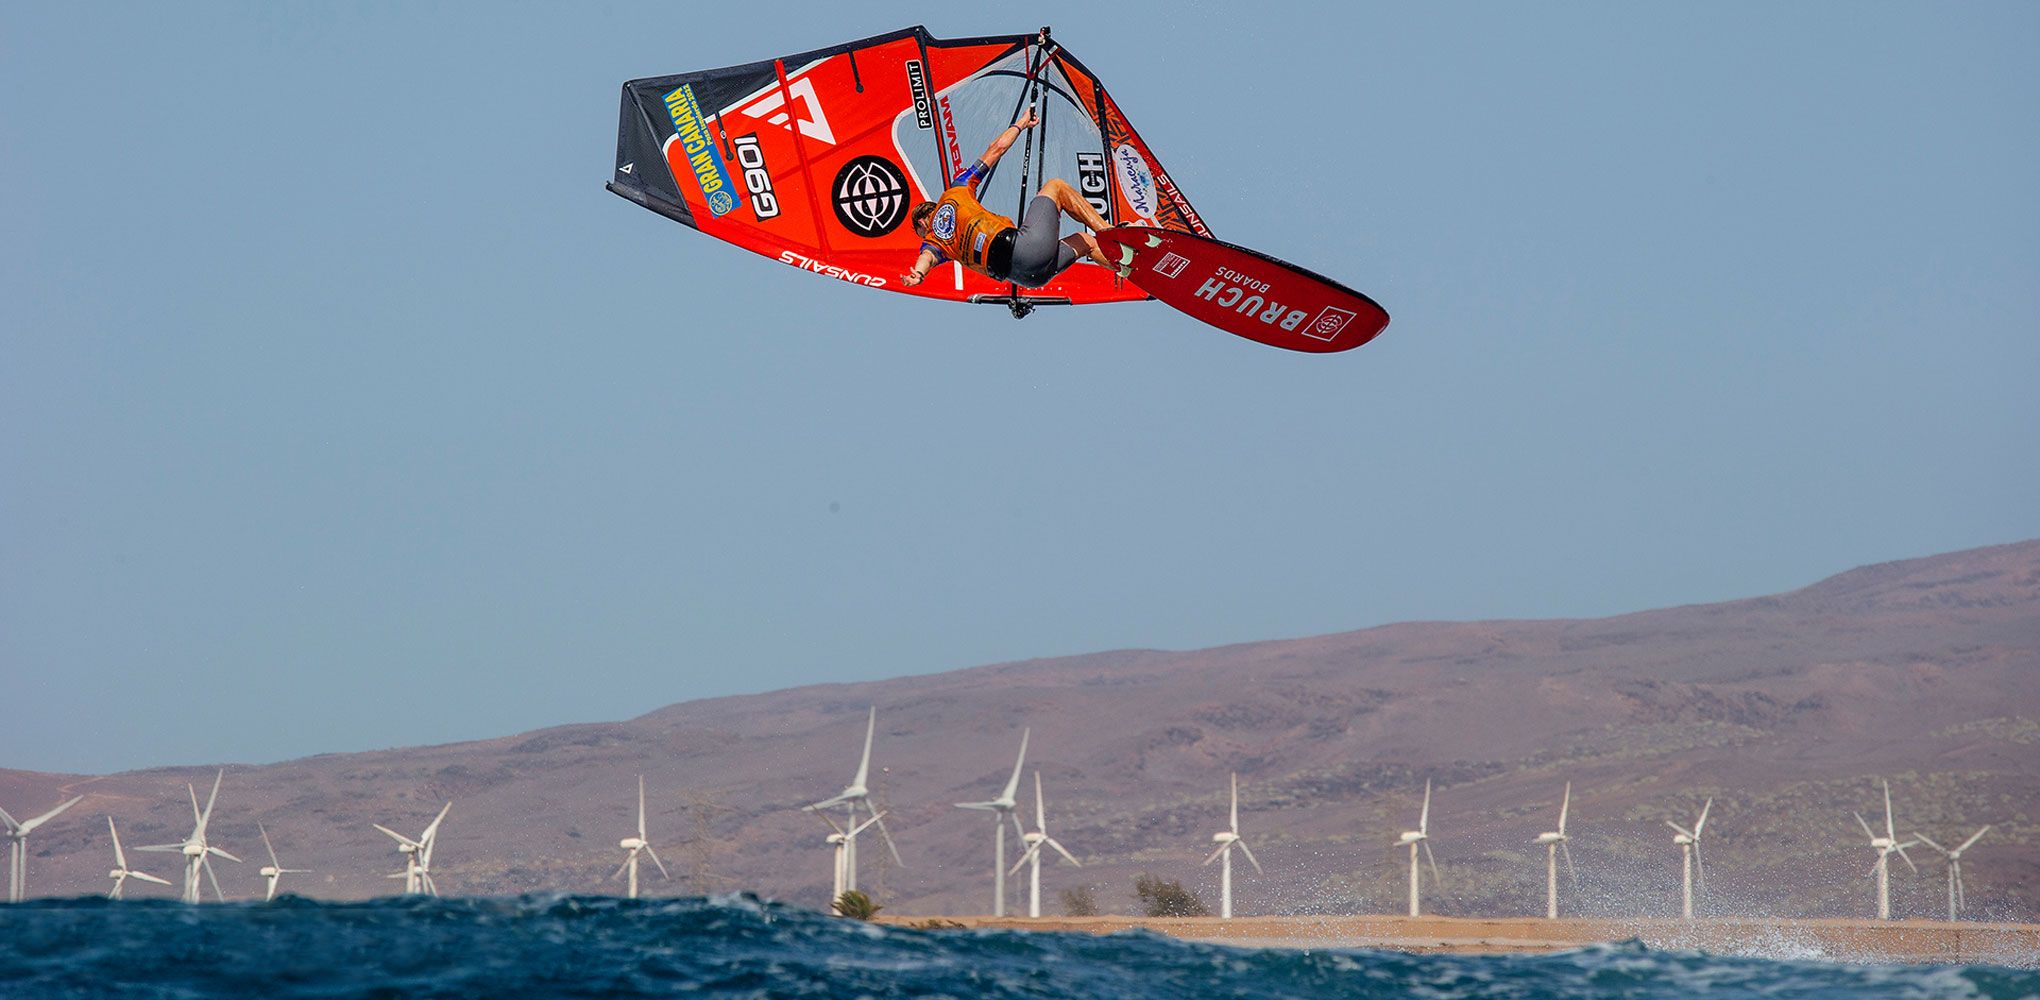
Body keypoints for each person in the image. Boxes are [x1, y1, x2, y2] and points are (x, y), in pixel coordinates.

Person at [901, 111, 1120, 289]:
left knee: (1085, 242)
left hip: (1029, 278)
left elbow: (926, 259)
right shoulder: (957, 188)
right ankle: (1111, 232)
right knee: (1056, 186)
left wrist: (919, 274)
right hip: (1024, 249)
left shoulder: (934, 244)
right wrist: (1021, 124)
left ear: (921, 222)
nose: (923, 237)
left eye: (920, 233)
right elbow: (996, 149)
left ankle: (1128, 267)